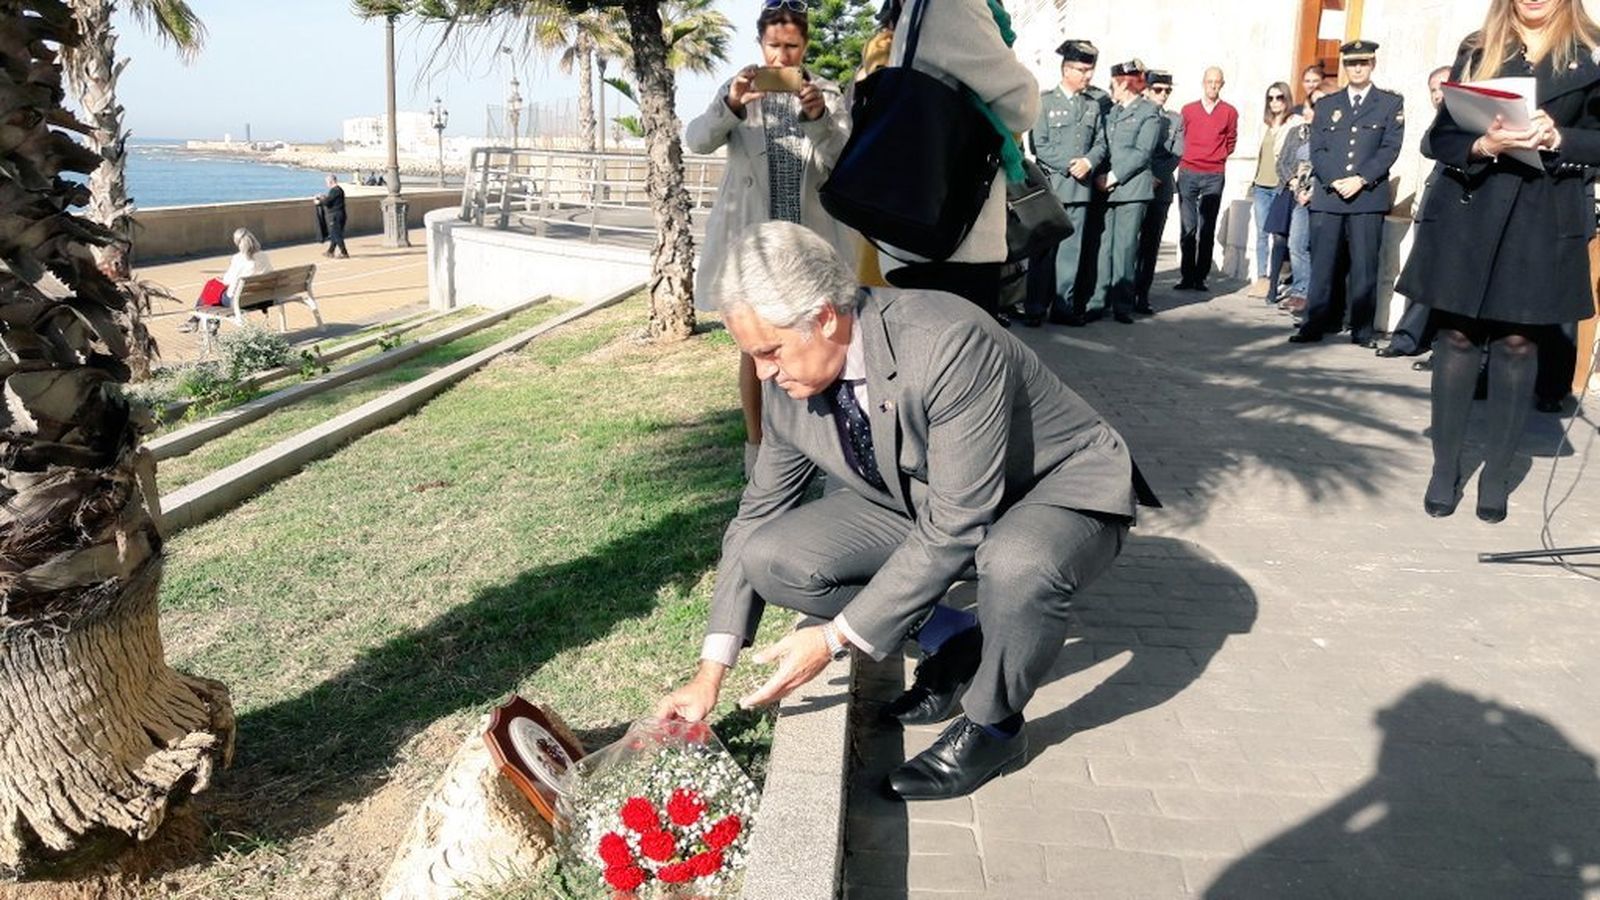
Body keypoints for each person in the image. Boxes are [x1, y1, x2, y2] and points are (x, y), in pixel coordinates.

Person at [655, 221, 1157, 801]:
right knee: (774, 557)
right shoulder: (788, 380)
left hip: (1051, 487)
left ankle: (995, 724)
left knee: (1018, 561)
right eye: (751, 354)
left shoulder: (946, 339)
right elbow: (755, 517)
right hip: (932, 497)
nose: (762, 372)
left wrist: (834, 640)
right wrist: (708, 674)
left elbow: (957, 522)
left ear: (823, 317)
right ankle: (958, 637)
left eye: (769, 351)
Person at [1396, 0, 1600, 523]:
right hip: (1470, 212)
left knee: (1517, 342)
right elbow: (1438, 138)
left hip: (1543, 216)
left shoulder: (1591, 56)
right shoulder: (1478, 49)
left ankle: (1497, 472)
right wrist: (1483, 143)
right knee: (1456, 337)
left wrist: (1559, 137)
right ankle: (1446, 467)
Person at [686, 0, 852, 475]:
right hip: (753, 247)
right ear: (760, 43)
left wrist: (819, 117)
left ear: (805, 46)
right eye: (773, 46)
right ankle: (758, 449)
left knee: (819, 340)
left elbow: (841, 160)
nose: (781, 58)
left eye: (792, 47)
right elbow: (697, 140)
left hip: (807, 248)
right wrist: (732, 105)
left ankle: (825, 444)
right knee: (755, 347)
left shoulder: (825, 92)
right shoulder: (737, 89)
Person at [875, 0, 1039, 318]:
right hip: (955, 245)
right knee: (962, 362)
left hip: (916, 236)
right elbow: (1021, 104)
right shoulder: (951, 4)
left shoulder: (915, 8)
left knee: (927, 359)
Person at [1288, 40, 1404, 346]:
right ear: (1345, 66)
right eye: (1352, 63)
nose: (1357, 68)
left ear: (1372, 65)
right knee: (1323, 263)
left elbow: (1390, 148)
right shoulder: (1327, 105)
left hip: (1367, 195)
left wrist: (1361, 179)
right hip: (1330, 194)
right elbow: (1319, 148)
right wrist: (1335, 179)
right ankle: (1314, 323)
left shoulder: (1390, 104)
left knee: (1365, 265)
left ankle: (1362, 329)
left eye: (1363, 63)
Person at [1024, 40, 1108, 327]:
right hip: (1052, 188)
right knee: (1044, 251)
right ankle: (1035, 306)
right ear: (1067, 69)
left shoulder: (1093, 105)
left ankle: (1063, 305)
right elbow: (1039, 144)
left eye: (1090, 70)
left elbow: (1100, 142)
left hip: (1080, 190)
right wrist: (1070, 165)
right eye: (1083, 70)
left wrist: (1089, 162)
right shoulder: (1045, 102)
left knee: (1071, 253)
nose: (1088, 76)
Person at [1379, 65, 1453, 361]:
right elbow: (1428, 149)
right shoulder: (1440, 122)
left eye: (1444, 87)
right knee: (1420, 276)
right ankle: (1408, 338)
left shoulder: (1468, 117)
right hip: (1431, 204)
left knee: (1449, 282)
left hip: (1459, 210)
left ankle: (1441, 347)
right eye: (1434, 90)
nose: (1438, 95)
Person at [1092, 61, 1162, 324]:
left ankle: (1122, 304)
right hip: (1107, 188)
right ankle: (1098, 300)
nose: (1112, 89)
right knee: (1104, 247)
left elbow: (1142, 153)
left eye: (1115, 84)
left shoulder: (1149, 112)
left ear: (1125, 83)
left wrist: (1112, 176)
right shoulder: (1113, 111)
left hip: (1131, 188)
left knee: (1125, 248)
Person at [1175, 67, 1238, 292]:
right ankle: (1187, 275)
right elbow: (1181, 137)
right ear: (1203, 82)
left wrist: (1217, 158)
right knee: (1188, 226)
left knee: (1207, 227)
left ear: (1222, 84)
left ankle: (1200, 277)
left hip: (1214, 174)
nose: (1213, 85)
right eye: (1210, 81)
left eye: (1217, 82)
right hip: (1188, 172)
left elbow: (1231, 140)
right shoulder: (1188, 110)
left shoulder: (1229, 112)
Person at [1268, 88, 1324, 313]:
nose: (1311, 111)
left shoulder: (1332, 134)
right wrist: (1293, 183)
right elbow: (1282, 161)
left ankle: (1313, 294)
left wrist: (1313, 191)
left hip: (1320, 196)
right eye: (1310, 106)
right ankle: (1301, 290)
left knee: (1316, 247)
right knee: (1296, 243)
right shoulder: (1298, 132)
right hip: (1297, 196)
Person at [1133, 69, 1183, 315]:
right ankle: (1121, 291)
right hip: (1134, 185)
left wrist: (1157, 176)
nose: (1163, 95)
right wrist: (1144, 175)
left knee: (1150, 244)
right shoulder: (1136, 114)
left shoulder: (1174, 119)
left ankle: (1142, 294)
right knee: (1128, 243)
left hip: (1160, 189)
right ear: (1147, 90)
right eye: (1158, 90)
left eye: (1167, 91)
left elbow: (1176, 153)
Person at [1248, 82, 1295, 298]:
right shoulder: (1264, 125)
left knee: (1278, 235)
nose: (1275, 102)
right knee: (1261, 233)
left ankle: (1276, 279)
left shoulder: (1294, 124)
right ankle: (1261, 278)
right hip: (1261, 184)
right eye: (1271, 98)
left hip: (1281, 185)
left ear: (1287, 99)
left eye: (1279, 97)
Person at [178, 228, 273, 333]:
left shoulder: (239, 258)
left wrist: (220, 279)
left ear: (237, 242)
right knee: (213, 288)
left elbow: (227, 280)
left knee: (211, 287)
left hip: (239, 301)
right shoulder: (264, 256)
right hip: (263, 297)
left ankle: (197, 321)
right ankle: (206, 322)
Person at [314, 175, 348, 259]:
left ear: (331, 181)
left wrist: (318, 201)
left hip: (336, 215)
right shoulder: (339, 190)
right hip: (340, 214)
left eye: (327, 182)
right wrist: (323, 197)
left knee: (337, 235)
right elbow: (331, 200)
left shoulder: (334, 190)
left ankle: (344, 253)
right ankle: (330, 251)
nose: (326, 184)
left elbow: (327, 202)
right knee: (334, 234)